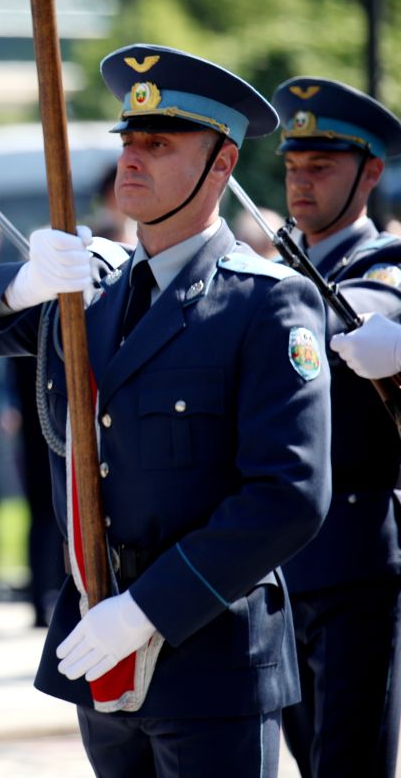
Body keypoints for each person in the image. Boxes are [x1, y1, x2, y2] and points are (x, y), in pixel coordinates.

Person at [0, 44, 332, 777]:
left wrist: (146, 610)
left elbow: (288, 494)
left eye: (158, 143)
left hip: (206, 647)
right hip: (100, 648)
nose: (132, 157)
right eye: (128, 139)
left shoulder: (267, 300)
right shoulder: (83, 293)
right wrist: (19, 285)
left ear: (221, 164)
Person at [268, 76, 401, 777]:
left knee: (349, 759)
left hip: (356, 551)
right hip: (283, 557)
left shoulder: (383, 264)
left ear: (369, 172)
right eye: (292, 167)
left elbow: (356, 311)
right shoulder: (277, 269)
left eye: (320, 167)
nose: (301, 183)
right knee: (308, 749)